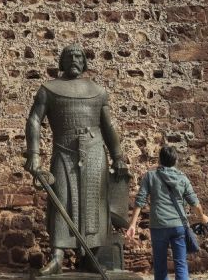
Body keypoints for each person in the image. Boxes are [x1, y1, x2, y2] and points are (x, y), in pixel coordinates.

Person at [24, 44, 131, 275]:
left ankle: (91, 256)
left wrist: (118, 156)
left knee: (94, 205)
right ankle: (57, 257)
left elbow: (108, 125)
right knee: (62, 199)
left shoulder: (98, 91)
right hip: (64, 151)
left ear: (84, 62)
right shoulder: (49, 89)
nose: (74, 59)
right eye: (69, 56)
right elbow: (34, 120)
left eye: (79, 56)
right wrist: (34, 155)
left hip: (94, 152)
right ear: (61, 62)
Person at [125, 146, 208, 280]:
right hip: (178, 226)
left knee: (160, 267)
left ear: (159, 160)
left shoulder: (150, 176)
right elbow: (194, 203)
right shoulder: (182, 178)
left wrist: (132, 224)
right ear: (175, 160)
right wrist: (202, 217)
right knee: (181, 264)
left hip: (158, 226)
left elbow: (140, 200)